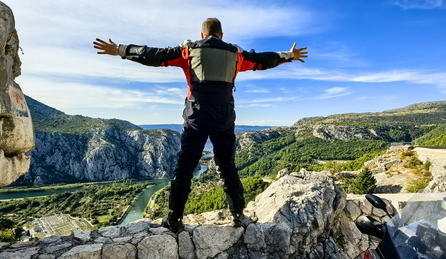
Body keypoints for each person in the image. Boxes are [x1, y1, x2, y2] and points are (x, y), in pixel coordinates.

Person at [93, 18, 308, 233]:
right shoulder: (236, 53)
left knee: (186, 166)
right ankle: (238, 216)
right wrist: (289, 56)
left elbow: (155, 55)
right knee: (227, 166)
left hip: (196, 116)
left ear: (202, 34)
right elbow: (263, 60)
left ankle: (175, 219)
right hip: (224, 117)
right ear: (221, 35)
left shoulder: (188, 50)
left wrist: (121, 50)